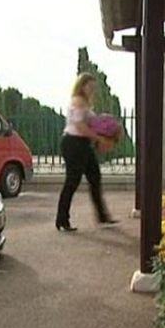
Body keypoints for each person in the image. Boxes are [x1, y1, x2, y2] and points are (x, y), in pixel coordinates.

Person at [55, 73, 116, 231]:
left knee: (94, 176)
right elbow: (80, 126)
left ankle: (102, 216)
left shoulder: (85, 103)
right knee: (72, 181)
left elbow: (89, 125)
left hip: (82, 144)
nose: (92, 89)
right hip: (74, 143)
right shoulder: (78, 101)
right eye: (89, 86)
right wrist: (98, 138)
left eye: (93, 87)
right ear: (81, 86)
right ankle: (62, 219)